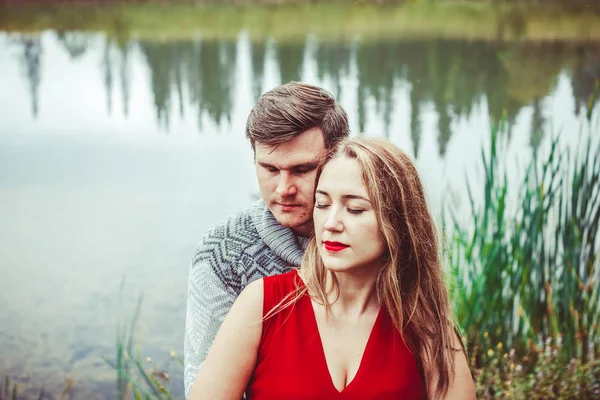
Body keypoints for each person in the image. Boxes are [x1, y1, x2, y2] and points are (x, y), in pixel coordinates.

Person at [189, 137, 476, 399]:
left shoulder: (425, 324)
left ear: (398, 222)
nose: (331, 223)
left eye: (354, 210)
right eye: (323, 204)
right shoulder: (262, 305)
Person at [183, 82, 350, 399]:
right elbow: (202, 388)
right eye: (270, 168)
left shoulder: (379, 238)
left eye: (302, 169)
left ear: (339, 158)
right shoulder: (223, 254)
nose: (284, 188)